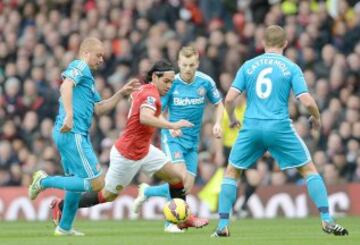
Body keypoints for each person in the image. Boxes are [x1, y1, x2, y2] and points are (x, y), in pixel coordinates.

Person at [211, 25, 349, 237]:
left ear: (263, 43)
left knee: (232, 172)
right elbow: (306, 99)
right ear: (285, 43)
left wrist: (232, 118)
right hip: (279, 127)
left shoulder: (248, 66)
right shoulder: (291, 67)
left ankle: (222, 226)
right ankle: (326, 219)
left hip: (251, 127)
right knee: (309, 170)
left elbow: (229, 99)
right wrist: (317, 117)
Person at [49, 60, 194, 232]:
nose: (169, 86)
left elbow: (153, 114)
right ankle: (62, 205)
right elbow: (145, 117)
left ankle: (179, 222)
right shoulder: (151, 94)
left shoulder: (147, 90)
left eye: (172, 82)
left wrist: (169, 125)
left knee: (177, 178)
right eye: (166, 81)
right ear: (155, 77)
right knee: (107, 196)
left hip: (145, 149)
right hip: (128, 154)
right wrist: (173, 125)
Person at [28, 37, 140, 236]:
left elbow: (100, 108)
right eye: (98, 55)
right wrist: (70, 115)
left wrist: (121, 93)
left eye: (103, 56)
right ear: (86, 53)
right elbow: (65, 86)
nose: (101, 59)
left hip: (70, 134)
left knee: (75, 180)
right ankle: (43, 181)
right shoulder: (79, 65)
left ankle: (64, 227)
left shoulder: (88, 80)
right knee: (97, 183)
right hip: (73, 133)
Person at [132, 46, 224, 233]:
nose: (188, 69)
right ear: (179, 64)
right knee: (179, 178)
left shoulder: (205, 82)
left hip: (192, 141)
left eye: (191, 65)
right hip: (173, 137)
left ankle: (147, 191)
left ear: (197, 64)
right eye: (184, 65)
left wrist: (217, 123)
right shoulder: (171, 84)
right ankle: (170, 223)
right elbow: (158, 112)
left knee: (186, 187)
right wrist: (170, 126)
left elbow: (219, 104)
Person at [213, 94, 260, 218]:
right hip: (229, 149)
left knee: (254, 179)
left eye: (237, 97)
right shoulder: (224, 112)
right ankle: (230, 210)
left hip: (248, 148)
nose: (233, 100)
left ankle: (243, 206)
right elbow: (219, 134)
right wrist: (218, 152)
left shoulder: (250, 109)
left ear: (243, 97)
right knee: (231, 180)